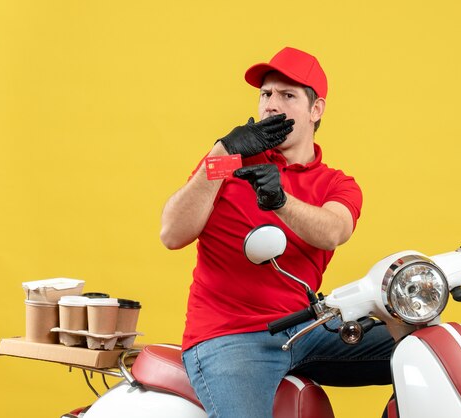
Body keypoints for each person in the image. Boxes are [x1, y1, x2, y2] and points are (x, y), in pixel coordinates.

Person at [160, 46, 394, 417]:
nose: (271, 104)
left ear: (316, 110)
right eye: (266, 94)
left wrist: (280, 199)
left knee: (423, 349)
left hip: (306, 329)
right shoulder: (227, 165)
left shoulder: (336, 183)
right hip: (230, 337)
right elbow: (171, 233)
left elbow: (333, 230)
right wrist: (221, 152)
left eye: (287, 95)